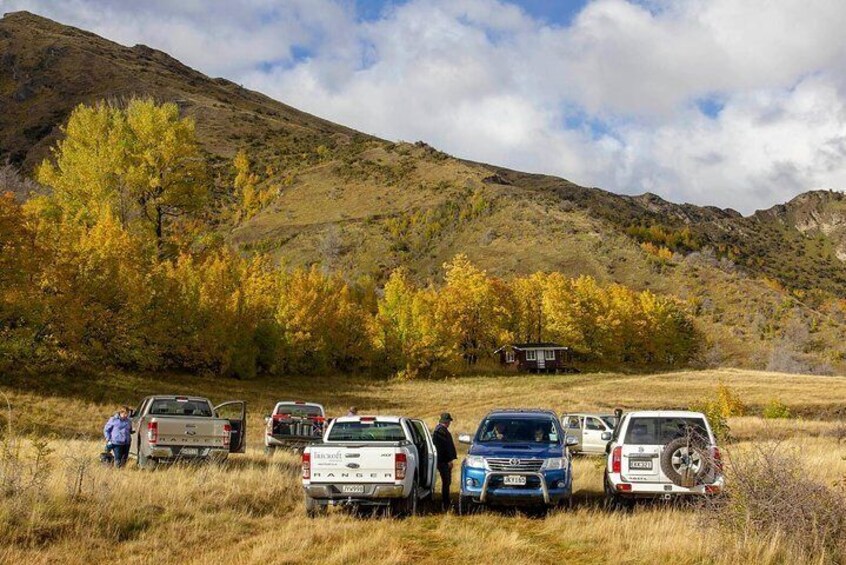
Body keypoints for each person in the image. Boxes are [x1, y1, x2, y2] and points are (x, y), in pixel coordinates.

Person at [432, 412, 457, 511]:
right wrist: (448, 461)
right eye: (449, 421)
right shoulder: (441, 431)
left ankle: (445, 502)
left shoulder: (440, 430)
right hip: (443, 461)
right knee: (446, 482)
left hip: (443, 461)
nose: (449, 423)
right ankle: (445, 504)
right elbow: (443, 449)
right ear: (446, 421)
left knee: (447, 482)